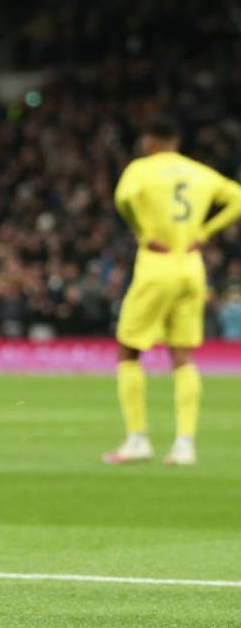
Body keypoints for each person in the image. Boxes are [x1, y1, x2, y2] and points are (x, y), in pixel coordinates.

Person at [103, 116, 241, 467]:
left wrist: (140, 227)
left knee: (128, 349)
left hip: (156, 263)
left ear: (151, 141)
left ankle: (137, 439)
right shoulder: (199, 172)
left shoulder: (140, 169)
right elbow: (237, 199)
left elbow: (124, 199)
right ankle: (185, 445)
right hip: (191, 265)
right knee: (183, 355)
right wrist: (206, 231)